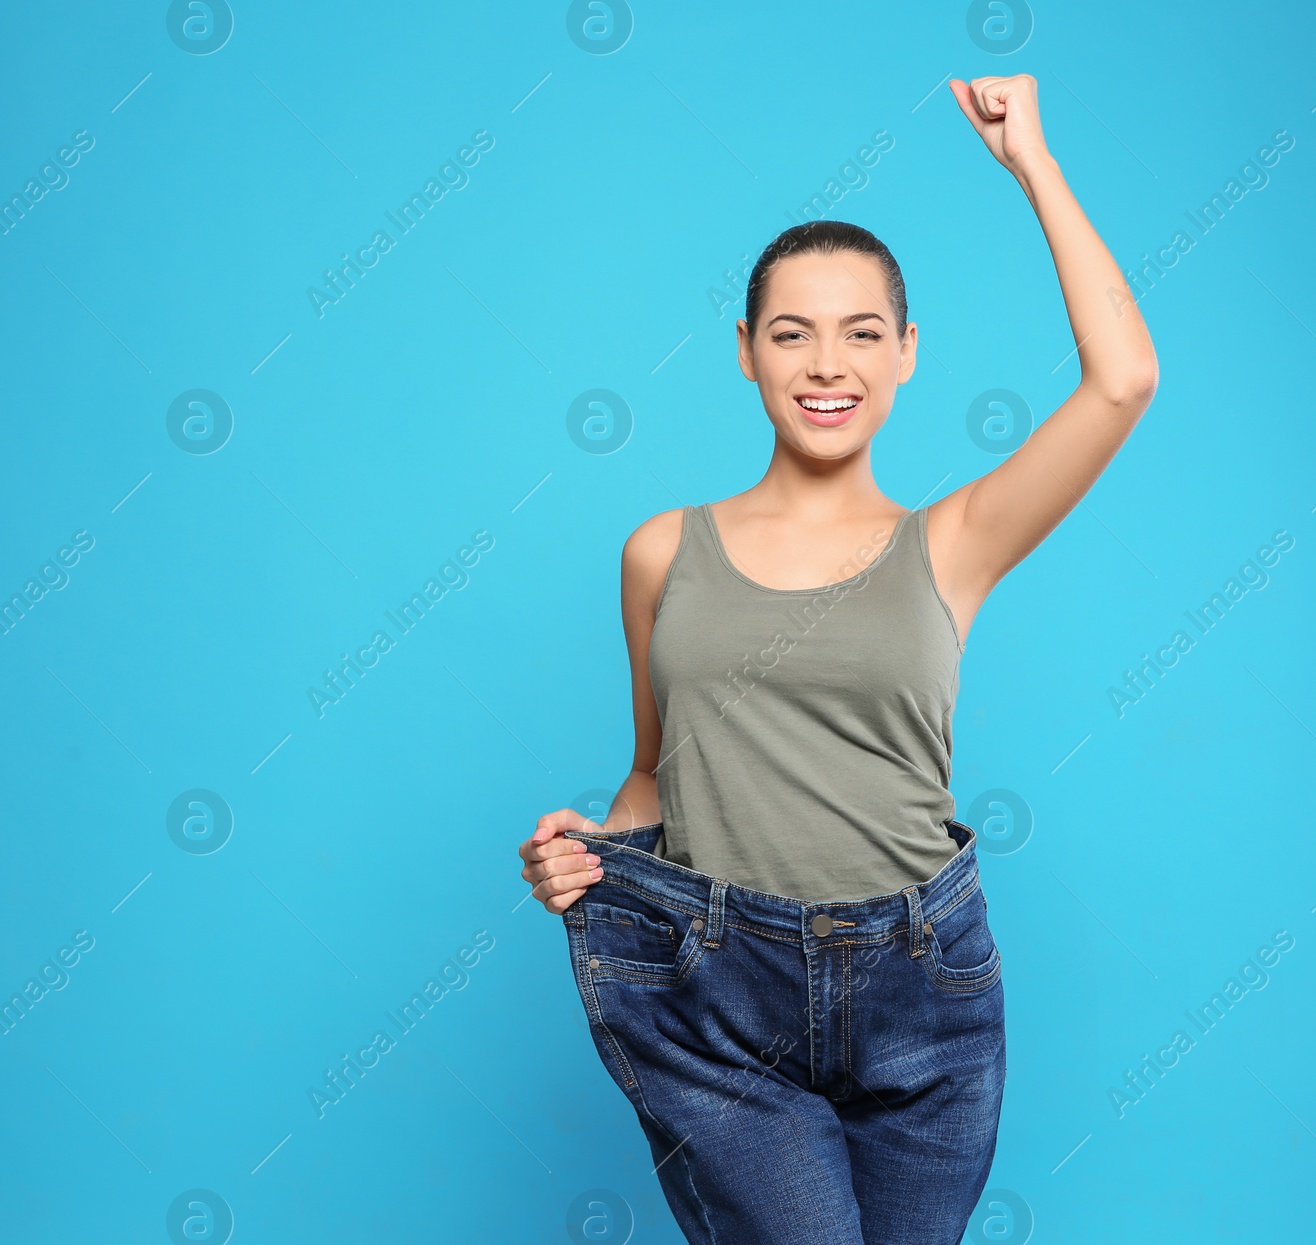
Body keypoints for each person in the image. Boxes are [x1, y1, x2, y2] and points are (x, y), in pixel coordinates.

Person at [517, 73, 1157, 1245]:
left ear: (907, 353)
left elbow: (1122, 382)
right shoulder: (662, 551)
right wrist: (583, 856)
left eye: (863, 332)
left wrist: (1033, 166)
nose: (827, 363)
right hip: (720, 990)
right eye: (792, 332)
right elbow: (657, 777)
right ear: (748, 353)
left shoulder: (953, 544)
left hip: (925, 987)